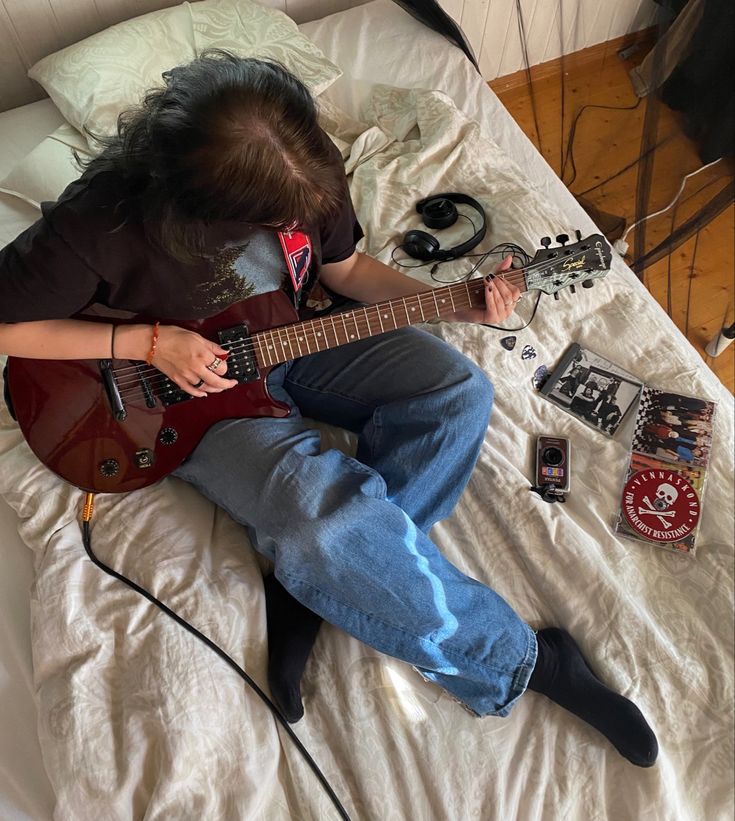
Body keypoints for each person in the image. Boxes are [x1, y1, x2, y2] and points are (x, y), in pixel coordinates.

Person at [0, 52, 657, 766]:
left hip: (290, 334)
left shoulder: (301, 170)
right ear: (199, 207)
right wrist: (149, 342)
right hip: (189, 402)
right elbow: (8, 326)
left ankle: (314, 587)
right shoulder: (101, 223)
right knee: (323, 519)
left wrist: (454, 303)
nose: (298, 215)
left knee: (457, 394)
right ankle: (524, 661)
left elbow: (342, 271)